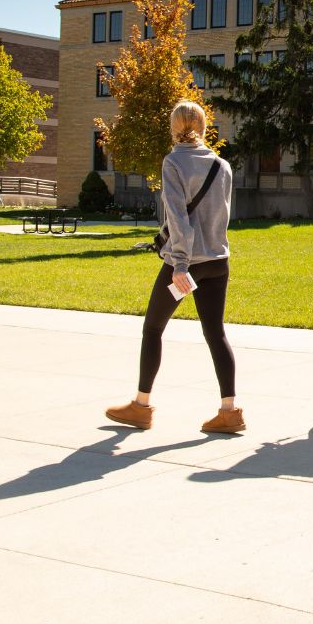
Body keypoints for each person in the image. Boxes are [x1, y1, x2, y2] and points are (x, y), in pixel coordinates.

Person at [106, 100, 241, 434]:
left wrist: (179, 264)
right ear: (203, 125)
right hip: (217, 261)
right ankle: (230, 411)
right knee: (216, 333)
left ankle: (141, 407)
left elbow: (178, 217)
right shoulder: (222, 165)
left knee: (153, 329)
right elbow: (221, 216)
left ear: (174, 126)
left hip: (186, 264)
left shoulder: (174, 162)